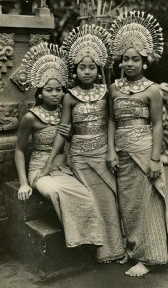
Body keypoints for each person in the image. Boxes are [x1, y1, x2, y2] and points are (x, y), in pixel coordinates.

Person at [38, 24, 125, 263]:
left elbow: (111, 121)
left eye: (91, 67)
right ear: (75, 70)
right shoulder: (68, 96)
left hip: (102, 152)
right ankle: (101, 251)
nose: (87, 71)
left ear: (98, 70)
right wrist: (48, 164)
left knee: (110, 199)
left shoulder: (106, 92)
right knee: (94, 202)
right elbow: (63, 132)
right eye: (82, 67)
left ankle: (118, 248)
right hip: (80, 157)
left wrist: (111, 150)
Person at [108, 10, 168, 277]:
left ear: (144, 62)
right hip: (122, 153)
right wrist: (111, 151)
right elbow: (112, 121)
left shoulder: (153, 90)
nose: (129, 64)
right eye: (125, 59)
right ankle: (135, 249)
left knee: (149, 203)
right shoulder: (114, 89)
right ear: (120, 62)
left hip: (145, 150)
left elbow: (158, 124)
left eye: (135, 59)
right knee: (129, 203)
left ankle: (150, 257)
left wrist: (155, 158)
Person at [15, 42, 104, 249]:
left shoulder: (67, 110)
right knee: (56, 191)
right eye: (48, 90)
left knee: (87, 194)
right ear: (39, 92)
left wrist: (72, 133)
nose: (54, 94)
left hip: (65, 167)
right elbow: (19, 150)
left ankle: (90, 242)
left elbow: (71, 139)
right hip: (40, 169)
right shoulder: (31, 117)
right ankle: (76, 240)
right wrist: (23, 183)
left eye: (58, 90)